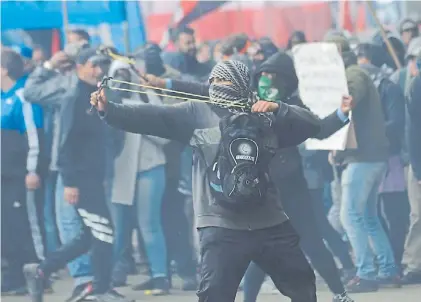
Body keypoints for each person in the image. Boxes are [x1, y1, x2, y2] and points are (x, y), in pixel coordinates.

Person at [92, 60, 323, 302]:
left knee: (304, 288)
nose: (215, 85)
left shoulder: (264, 115)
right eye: (212, 81)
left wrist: (278, 108)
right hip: (221, 225)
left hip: (271, 222)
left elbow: (313, 124)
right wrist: (109, 110)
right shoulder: (196, 113)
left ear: (241, 83)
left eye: (222, 80)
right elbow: (152, 116)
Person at [242, 51, 355, 302]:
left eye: (273, 76)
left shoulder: (293, 109)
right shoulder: (249, 106)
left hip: (294, 191)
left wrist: (341, 112)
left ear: (285, 81)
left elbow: (320, 129)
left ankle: (340, 294)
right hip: (264, 191)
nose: (267, 81)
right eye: (263, 75)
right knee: (261, 250)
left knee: (313, 244)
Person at [23, 48, 132, 302]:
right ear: (80, 67)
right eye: (93, 65)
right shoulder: (73, 96)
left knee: (90, 235)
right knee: (104, 232)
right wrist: (70, 182)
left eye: (101, 66)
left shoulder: (96, 94)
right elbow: (65, 143)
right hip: (80, 179)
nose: (99, 70)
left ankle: (41, 270)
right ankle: (100, 289)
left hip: (95, 174)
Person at [326, 35, 400, 292]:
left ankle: (366, 273)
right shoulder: (354, 72)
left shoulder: (353, 74)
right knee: (368, 216)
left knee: (350, 215)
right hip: (372, 157)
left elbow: (351, 98)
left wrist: (343, 106)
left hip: (364, 159)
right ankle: (388, 270)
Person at [24, 46, 96, 300]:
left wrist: (48, 67)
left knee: (79, 224)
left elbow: (31, 90)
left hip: (77, 167)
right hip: (68, 166)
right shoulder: (65, 85)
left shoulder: (70, 85)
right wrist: (48, 68)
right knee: (76, 224)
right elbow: (31, 92)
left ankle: (86, 278)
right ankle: (84, 279)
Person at [357, 43, 409, 272]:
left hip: (392, 158)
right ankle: (386, 258)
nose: (360, 63)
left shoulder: (389, 87)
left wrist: (369, 130)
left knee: (395, 213)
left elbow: (396, 123)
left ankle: (394, 259)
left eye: (363, 58)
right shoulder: (361, 88)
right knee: (373, 214)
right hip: (369, 157)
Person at [1, 48, 43, 296]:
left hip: (20, 174)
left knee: (23, 225)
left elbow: (33, 136)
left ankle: (36, 274)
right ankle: (12, 276)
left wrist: (32, 170)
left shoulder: (22, 97)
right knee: (5, 228)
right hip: (3, 175)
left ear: (4, 69)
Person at [403, 61, 421, 285]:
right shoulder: (417, 85)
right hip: (418, 161)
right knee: (418, 215)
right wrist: (417, 168)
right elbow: (413, 130)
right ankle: (414, 264)